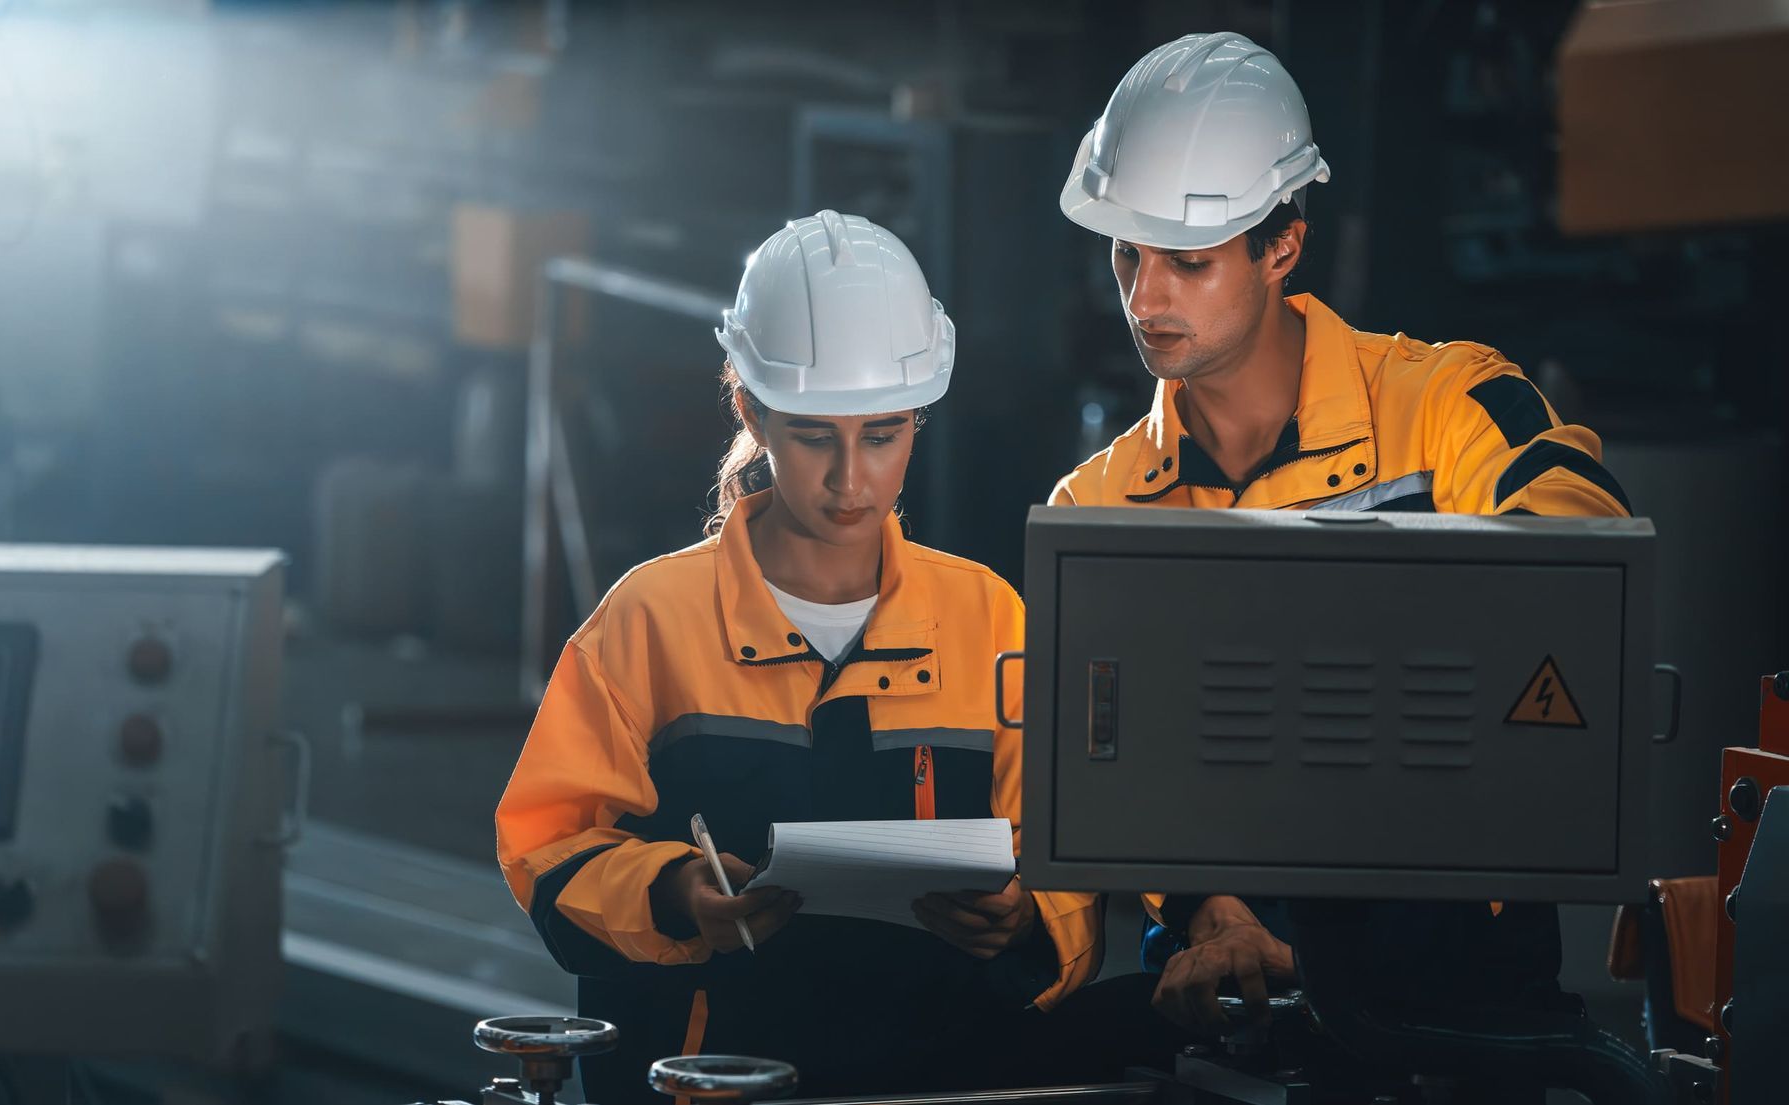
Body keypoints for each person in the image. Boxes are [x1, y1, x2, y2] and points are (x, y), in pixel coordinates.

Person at [1052, 32, 1631, 1035]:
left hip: (1463, 971)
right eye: (1126, 254)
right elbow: (1114, 770)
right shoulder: (1095, 505)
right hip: (1221, 973)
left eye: (1186, 261)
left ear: (1282, 247)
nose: (1144, 299)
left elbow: (1585, 554)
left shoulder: (1447, 403)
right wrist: (1218, 913)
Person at [496, 211, 1103, 1102]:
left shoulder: (989, 617)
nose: (851, 479)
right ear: (750, 406)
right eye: (817, 435)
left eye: (884, 433)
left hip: (943, 1081)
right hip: (706, 1082)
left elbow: (1064, 855)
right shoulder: (650, 619)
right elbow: (548, 844)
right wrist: (674, 893)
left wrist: (1024, 918)